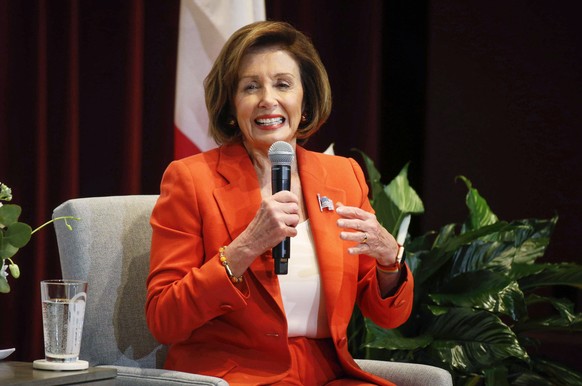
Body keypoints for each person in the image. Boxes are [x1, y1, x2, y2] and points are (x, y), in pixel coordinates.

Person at [146, 21, 413, 386]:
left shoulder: (343, 176)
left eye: (283, 84)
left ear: (305, 103)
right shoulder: (191, 180)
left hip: (326, 375)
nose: (267, 99)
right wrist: (245, 247)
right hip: (235, 376)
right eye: (250, 86)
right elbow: (165, 318)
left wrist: (388, 259)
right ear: (231, 106)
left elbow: (388, 317)